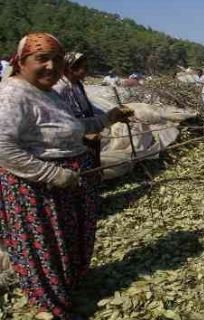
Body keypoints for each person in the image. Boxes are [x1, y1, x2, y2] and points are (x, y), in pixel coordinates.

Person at [0, 33, 132, 319]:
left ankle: (67, 289)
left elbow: (72, 128)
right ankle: (49, 305)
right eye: (42, 59)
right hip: (36, 188)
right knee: (45, 245)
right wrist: (51, 174)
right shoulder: (12, 93)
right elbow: (3, 146)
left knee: (69, 241)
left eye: (57, 60)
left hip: (68, 180)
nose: (51, 66)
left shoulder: (50, 93)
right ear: (21, 61)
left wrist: (109, 117)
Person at [53, 52, 102, 169]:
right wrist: (82, 133)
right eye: (83, 68)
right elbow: (61, 116)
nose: (86, 71)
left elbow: (88, 106)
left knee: (94, 157)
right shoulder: (59, 88)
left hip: (84, 126)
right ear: (70, 68)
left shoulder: (77, 85)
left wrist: (112, 115)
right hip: (70, 133)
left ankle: (95, 174)